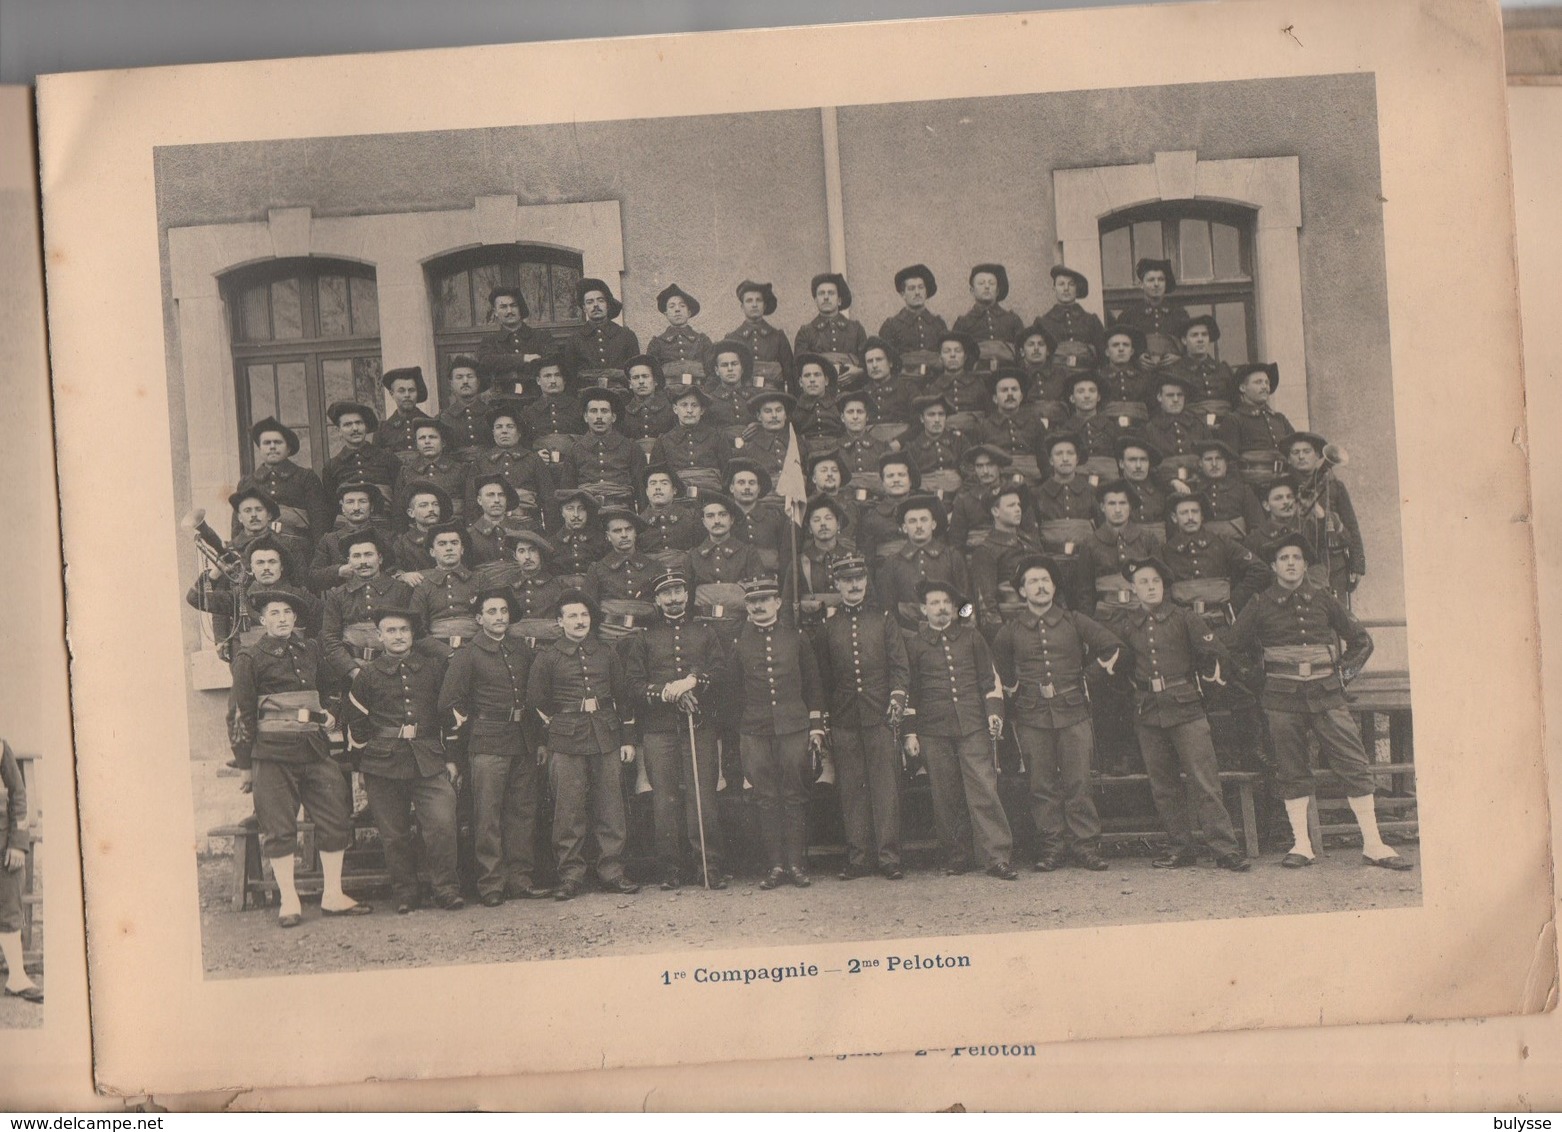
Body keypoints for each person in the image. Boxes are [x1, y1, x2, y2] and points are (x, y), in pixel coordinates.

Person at [1224, 534, 1412, 871]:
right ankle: (1302, 845)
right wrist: (1262, 682)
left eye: (1297, 557)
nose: (1291, 563)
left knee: (1354, 763)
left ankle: (1373, 843)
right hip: (1281, 700)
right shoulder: (1260, 603)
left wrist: (1340, 678)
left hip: (1327, 695)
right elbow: (1232, 650)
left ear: (1306, 565)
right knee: (1291, 768)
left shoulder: (1325, 600)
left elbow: (1361, 642)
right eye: (1284, 558)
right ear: (1273, 566)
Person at [229, 589, 369, 927]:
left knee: (335, 815)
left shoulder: (311, 651)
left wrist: (332, 712)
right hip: (272, 753)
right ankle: (289, 900)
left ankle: (333, 895)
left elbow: (332, 687)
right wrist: (245, 764)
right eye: (274, 613)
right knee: (278, 826)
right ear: (262, 620)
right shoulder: (250, 658)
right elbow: (239, 714)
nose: (282, 619)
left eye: (287, 613)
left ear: (295, 618)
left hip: (314, 748)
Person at [1103, 558, 1250, 871]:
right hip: (1148, 711)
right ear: (1132, 588)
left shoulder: (1183, 618)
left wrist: (1202, 696)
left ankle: (1224, 849)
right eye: (1143, 582)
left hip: (1186, 707)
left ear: (1164, 585)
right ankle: (1180, 848)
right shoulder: (1127, 624)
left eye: (1155, 581)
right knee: (1163, 784)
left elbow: (1216, 655)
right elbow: (1117, 666)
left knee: (1205, 780)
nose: (1151, 587)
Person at [991, 555, 1123, 871]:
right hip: (1032, 717)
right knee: (1041, 784)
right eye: (1032, 581)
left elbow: (1113, 647)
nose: (1040, 586)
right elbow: (1001, 671)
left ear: (1054, 586)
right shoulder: (1010, 630)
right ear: (1022, 591)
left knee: (1079, 782)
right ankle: (1052, 847)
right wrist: (1017, 692)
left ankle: (1085, 846)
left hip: (1074, 713)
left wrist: (1086, 679)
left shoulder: (1074, 620)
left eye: (1045, 580)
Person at [439, 587, 553, 904]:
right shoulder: (467, 655)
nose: (499, 617)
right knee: (487, 817)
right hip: (486, 742)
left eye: (503, 611)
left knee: (522, 813)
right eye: (491, 612)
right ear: (479, 618)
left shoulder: (521, 651)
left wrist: (539, 741)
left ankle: (520, 880)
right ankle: (491, 884)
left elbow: (534, 701)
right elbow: (450, 705)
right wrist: (454, 753)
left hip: (523, 741)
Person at [346, 607, 463, 913]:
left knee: (441, 824)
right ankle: (405, 893)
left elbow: (447, 715)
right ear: (380, 636)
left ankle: (446, 889)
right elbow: (356, 721)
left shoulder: (433, 669)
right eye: (391, 631)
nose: (398, 637)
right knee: (394, 833)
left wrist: (450, 758)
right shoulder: (367, 675)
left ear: (413, 635)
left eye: (404, 630)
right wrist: (361, 764)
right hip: (382, 763)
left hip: (428, 758)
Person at [526, 591, 642, 899]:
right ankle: (570, 875)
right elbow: (536, 702)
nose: (579, 621)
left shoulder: (606, 653)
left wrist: (628, 739)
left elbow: (622, 697)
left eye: (584, 615)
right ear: (560, 622)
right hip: (565, 738)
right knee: (568, 810)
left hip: (606, 734)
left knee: (611, 808)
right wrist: (552, 732)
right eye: (572, 616)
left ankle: (612, 872)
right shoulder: (548, 657)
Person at [900, 579, 1016, 879]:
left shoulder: (972, 638)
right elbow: (910, 690)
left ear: (954, 608)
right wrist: (910, 732)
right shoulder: (914, 645)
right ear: (923, 609)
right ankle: (957, 855)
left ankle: (997, 856)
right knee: (945, 795)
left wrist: (994, 713)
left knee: (984, 789)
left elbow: (990, 681)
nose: (940, 608)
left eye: (946, 603)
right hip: (933, 729)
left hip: (973, 725)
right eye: (934, 603)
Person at [622, 569, 730, 890]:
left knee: (703, 799)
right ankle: (671, 870)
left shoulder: (705, 633)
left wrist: (694, 681)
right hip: (659, 730)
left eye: (678, 591)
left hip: (700, 726)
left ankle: (708, 867)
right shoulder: (645, 638)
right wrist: (665, 691)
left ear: (687, 595)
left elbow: (721, 671)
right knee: (664, 802)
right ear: (656, 600)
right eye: (666, 593)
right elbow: (633, 686)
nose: (673, 599)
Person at [815, 553, 910, 880]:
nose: (853, 585)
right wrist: (826, 717)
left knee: (886, 789)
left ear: (866, 582)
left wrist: (896, 698)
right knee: (852, 790)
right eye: (846, 580)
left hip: (880, 714)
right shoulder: (828, 626)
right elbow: (824, 678)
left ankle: (889, 858)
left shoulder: (883, 619)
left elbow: (900, 667)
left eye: (859, 579)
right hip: (844, 718)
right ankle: (859, 858)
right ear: (837, 584)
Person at [732, 575, 827, 888]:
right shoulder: (739, 640)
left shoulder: (796, 637)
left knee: (795, 794)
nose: (758, 606)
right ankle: (775, 866)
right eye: (752, 601)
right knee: (766, 796)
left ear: (778, 602)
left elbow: (813, 685)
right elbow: (732, 689)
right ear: (747, 605)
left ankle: (797, 865)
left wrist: (815, 727)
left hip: (793, 727)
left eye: (765, 599)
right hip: (755, 729)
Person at [189, 534, 319, 657]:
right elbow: (195, 598)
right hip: (250, 668)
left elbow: (325, 624)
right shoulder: (239, 598)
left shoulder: (300, 595)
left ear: (282, 567)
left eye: (272, 562)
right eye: (260, 563)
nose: (266, 568)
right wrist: (216, 573)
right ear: (251, 568)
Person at [319, 529, 415, 684]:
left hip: (394, 670)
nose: (363, 561)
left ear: (380, 558)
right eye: (356, 556)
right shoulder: (337, 595)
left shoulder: (401, 590)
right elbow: (330, 639)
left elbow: (413, 633)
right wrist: (352, 671)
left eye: (368, 555)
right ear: (349, 562)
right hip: (351, 672)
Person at [1285, 430, 1365, 597]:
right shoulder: (1283, 488)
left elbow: (1351, 526)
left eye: (1307, 452)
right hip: (1297, 562)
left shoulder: (1336, 486)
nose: (1301, 457)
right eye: (1295, 452)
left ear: (1317, 456)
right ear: (1288, 459)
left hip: (1334, 564)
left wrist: (1357, 565)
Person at [1162, 494, 1270, 616]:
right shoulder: (1167, 550)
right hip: (1182, 621)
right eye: (1184, 513)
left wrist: (1233, 603)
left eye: (1195, 511)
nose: (1190, 517)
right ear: (1174, 517)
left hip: (1220, 620)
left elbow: (1260, 570)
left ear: (1202, 516)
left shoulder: (1222, 542)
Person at [234, 418, 330, 554]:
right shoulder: (247, 483)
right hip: (257, 553)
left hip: (299, 551)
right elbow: (238, 526)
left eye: (278, 442)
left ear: (288, 448)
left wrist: (319, 557)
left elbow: (319, 523)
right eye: (266, 443)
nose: (272, 447)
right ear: (260, 448)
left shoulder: (305, 477)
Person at [464, 400, 554, 532]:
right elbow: (471, 501)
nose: (504, 431)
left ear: (519, 432)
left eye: (510, 426)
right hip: (491, 529)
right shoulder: (481, 461)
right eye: (499, 427)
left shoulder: (533, 459)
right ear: (493, 432)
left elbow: (548, 499)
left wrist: (550, 533)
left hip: (526, 526)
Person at [967, 483, 1043, 634]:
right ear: (995, 511)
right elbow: (987, 606)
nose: (1018, 509)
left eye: (1019, 505)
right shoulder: (986, 550)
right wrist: (999, 638)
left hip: (1041, 618)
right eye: (1011, 505)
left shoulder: (1031, 543)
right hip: (1011, 624)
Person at [1082, 480, 1162, 616]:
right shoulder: (1090, 543)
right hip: (1105, 616)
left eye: (1123, 503)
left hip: (1142, 615)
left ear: (1130, 506)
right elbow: (1085, 593)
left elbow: (1160, 584)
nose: (1117, 509)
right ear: (1102, 507)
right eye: (1111, 503)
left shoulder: (1147, 539)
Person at [0, 739, 39, 1002]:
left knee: (9, 906)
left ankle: (16, 977)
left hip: (3, 844)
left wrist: (17, 844)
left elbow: (19, 794)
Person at [1216, 363, 1293, 491]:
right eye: (1258, 382)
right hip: (1252, 488)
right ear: (1242, 388)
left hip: (1284, 484)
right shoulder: (1234, 420)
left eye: (1267, 383)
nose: (1265, 387)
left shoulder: (1279, 419)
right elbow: (1230, 464)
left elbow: (1295, 449)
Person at [410, 520, 481, 655]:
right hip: (436, 654)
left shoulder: (478, 580)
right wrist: (445, 652)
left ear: (462, 549)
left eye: (454, 543)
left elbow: (490, 620)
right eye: (442, 544)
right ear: (432, 552)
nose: (449, 548)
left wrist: (472, 651)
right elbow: (417, 629)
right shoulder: (424, 584)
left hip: (475, 652)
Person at [322, 400, 401, 515]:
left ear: (366, 427)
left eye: (359, 423)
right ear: (338, 431)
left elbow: (400, 498)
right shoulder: (332, 466)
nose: (355, 428)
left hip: (385, 524)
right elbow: (332, 507)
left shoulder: (387, 458)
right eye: (347, 424)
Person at [310, 483, 393, 592]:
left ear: (371, 506)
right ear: (342, 507)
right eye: (350, 502)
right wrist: (338, 571)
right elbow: (314, 576)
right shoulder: (329, 540)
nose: (356, 507)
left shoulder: (387, 536)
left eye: (362, 502)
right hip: (344, 600)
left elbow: (395, 568)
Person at [567, 388, 641, 508]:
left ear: (613, 417)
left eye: (604, 411)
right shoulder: (576, 449)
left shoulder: (630, 447)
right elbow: (568, 491)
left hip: (622, 510)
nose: (599, 417)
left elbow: (641, 489)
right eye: (593, 411)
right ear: (586, 417)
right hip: (588, 511)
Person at [650, 383, 729, 495]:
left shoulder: (716, 437)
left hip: (713, 498)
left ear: (702, 410)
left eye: (694, 405)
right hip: (678, 499)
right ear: (675, 409)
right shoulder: (664, 441)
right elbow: (656, 476)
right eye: (684, 405)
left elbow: (727, 474)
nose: (689, 410)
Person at [793, 272, 866, 384]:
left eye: (831, 293)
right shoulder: (806, 332)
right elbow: (799, 368)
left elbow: (867, 363)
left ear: (839, 300)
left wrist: (858, 372)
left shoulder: (856, 329)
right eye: (821, 294)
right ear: (815, 300)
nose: (826, 297)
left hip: (852, 391)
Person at [976, 367, 1047, 480]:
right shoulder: (984, 426)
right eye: (1004, 390)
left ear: (1021, 396)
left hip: (1032, 482)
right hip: (999, 483)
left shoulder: (1035, 423)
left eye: (1014, 389)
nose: (1010, 394)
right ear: (995, 398)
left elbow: (1044, 461)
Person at [476, 286, 552, 389]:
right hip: (501, 400)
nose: (509, 311)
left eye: (513, 305)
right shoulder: (490, 341)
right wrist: (524, 358)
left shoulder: (541, 337)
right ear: (495, 312)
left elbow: (550, 361)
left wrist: (504, 363)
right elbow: (486, 362)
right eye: (503, 307)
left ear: (520, 308)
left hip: (537, 397)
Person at [686, 491, 767, 589]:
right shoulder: (694, 556)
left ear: (732, 519)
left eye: (723, 514)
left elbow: (757, 593)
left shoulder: (748, 553)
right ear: (703, 522)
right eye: (710, 516)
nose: (717, 521)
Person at [564, 278, 640, 379]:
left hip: (621, 393)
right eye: (590, 302)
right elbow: (570, 376)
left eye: (600, 300)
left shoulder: (626, 335)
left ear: (607, 305)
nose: (595, 305)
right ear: (584, 308)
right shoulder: (575, 339)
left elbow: (635, 372)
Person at [952, 264, 1024, 371]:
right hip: (975, 378)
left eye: (991, 283)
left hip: (1008, 376)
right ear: (972, 291)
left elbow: (1022, 353)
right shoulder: (963, 322)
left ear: (997, 291)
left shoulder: (1012, 320)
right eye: (981, 283)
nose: (987, 286)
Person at [397, 418, 469, 521]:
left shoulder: (460, 470)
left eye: (432, 437)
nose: (427, 442)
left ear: (443, 442)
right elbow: (399, 511)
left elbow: (470, 507)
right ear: (416, 444)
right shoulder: (406, 472)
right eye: (422, 438)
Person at [583, 507, 659, 604]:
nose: (624, 535)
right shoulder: (597, 570)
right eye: (617, 531)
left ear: (635, 533)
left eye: (628, 529)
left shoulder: (654, 567)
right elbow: (589, 607)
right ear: (608, 536)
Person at [1192, 439, 1266, 539]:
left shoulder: (1242, 490)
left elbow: (1258, 526)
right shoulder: (1194, 491)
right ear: (1200, 463)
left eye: (1219, 458)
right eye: (1208, 459)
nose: (1214, 464)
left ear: (1226, 462)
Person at [727, 280, 793, 388]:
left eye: (758, 300)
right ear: (742, 307)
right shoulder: (732, 339)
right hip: (743, 399)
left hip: (773, 397)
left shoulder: (778, 337)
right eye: (749, 301)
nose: (754, 305)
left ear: (765, 305)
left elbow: (790, 376)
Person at [878, 263, 947, 368]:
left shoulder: (938, 323)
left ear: (926, 291)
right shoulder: (891, 326)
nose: (917, 292)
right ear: (903, 294)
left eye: (921, 287)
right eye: (911, 288)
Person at [1108, 258, 1190, 344]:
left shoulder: (1179, 314)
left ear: (1166, 283)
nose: (1156, 284)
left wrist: (1175, 357)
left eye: (1161, 279)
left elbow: (1187, 347)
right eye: (1151, 280)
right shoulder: (1128, 316)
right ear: (1141, 284)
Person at [647, 284, 714, 382]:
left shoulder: (703, 341)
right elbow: (652, 376)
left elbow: (712, 373)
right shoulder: (657, 343)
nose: (677, 309)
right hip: (668, 394)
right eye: (671, 306)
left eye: (682, 306)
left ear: (689, 313)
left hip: (699, 392)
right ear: (666, 314)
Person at [1170, 315, 1233, 419]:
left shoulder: (1223, 369)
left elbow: (1235, 402)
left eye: (1204, 335)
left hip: (1225, 426)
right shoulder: (1175, 371)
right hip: (1191, 428)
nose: (1200, 339)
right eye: (1194, 335)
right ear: (1184, 340)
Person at [389, 481, 452, 583]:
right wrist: (403, 576)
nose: (431, 509)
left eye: (435, 504)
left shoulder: (452, 537)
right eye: (424, 505)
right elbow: (393, 570)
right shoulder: (403, 543)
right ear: (411, 513)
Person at [902, 395, 966, 494]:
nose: (937, 420)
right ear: (922, 419)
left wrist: (961, 495)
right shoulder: (912, 447)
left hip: (957, 496)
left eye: (941, 414)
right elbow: (909, 481)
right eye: (931, 415)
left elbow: (970, 473)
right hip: (924, 497)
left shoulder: (958, 441)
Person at [465, 475, 528, 574]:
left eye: (501, 495)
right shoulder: (468, 536)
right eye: (490, 495)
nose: (497, 500)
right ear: (479, 500)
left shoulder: (522, 531)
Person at [639, 465, 705, 559]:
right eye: (653, 483)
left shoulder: (691, 516)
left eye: (664, 483)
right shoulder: (639, 522)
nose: (658, 488)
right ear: (647, 492)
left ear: (674, 490)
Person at [1038, 265, 1106, 355]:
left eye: (1071, 284)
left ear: (1077, 289)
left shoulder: (1091, 321)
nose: (1066, 289)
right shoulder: (1043, 323)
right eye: (1061, 284)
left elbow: (1103, 354)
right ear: (1054, 289)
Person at [376, 367, 435, 468]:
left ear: (417, 393)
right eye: (401, 391)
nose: (407, 395)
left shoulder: (430, 423)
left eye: (411, 390)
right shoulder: (383, 429)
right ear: (392, 394)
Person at [441, 354, 497, 459]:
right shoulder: (443, 418)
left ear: (478, 382)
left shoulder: (493, 414)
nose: (465, 381)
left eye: (470, 376)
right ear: (451, 384)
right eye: (459, 377)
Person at [923, 330, 988, 420]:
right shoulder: (932, 388)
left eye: (958, 351)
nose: (953, 355)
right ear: (940, 358)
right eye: (947, 351)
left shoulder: (978, 384)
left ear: (965, 357)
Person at [520, 355, 584, 443]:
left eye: (557, 375)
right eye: (547, 376)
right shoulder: (529, 412)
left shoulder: (578, 407)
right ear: (538, 381)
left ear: (564, 380)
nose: (553, 381)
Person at [703, 340, 759, 433]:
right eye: (724, 365)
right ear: (717, 371)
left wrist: (759, 427)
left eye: (734, 364)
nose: (730, 369)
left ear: (742, 368)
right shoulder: (709, 401)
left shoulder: (756, 397)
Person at [551, 488, 607, 580]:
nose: (576, 514)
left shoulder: (600, 541)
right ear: (562, 512)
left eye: (581, 509)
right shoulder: (552, 544)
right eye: (570, 509)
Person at [792, 354, 844, 450]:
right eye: (807, 376)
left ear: (826, 381)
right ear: (800, 382)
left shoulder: (838, 405)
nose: (812, 380)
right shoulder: (794, 409)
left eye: (817, 375)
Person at [620, 354, 676, 443]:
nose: (641, 382)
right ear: (630, 384)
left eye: (645, 376)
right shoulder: (624, 413)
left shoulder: (669, 408)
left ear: (655, 381)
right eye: (635, 378)